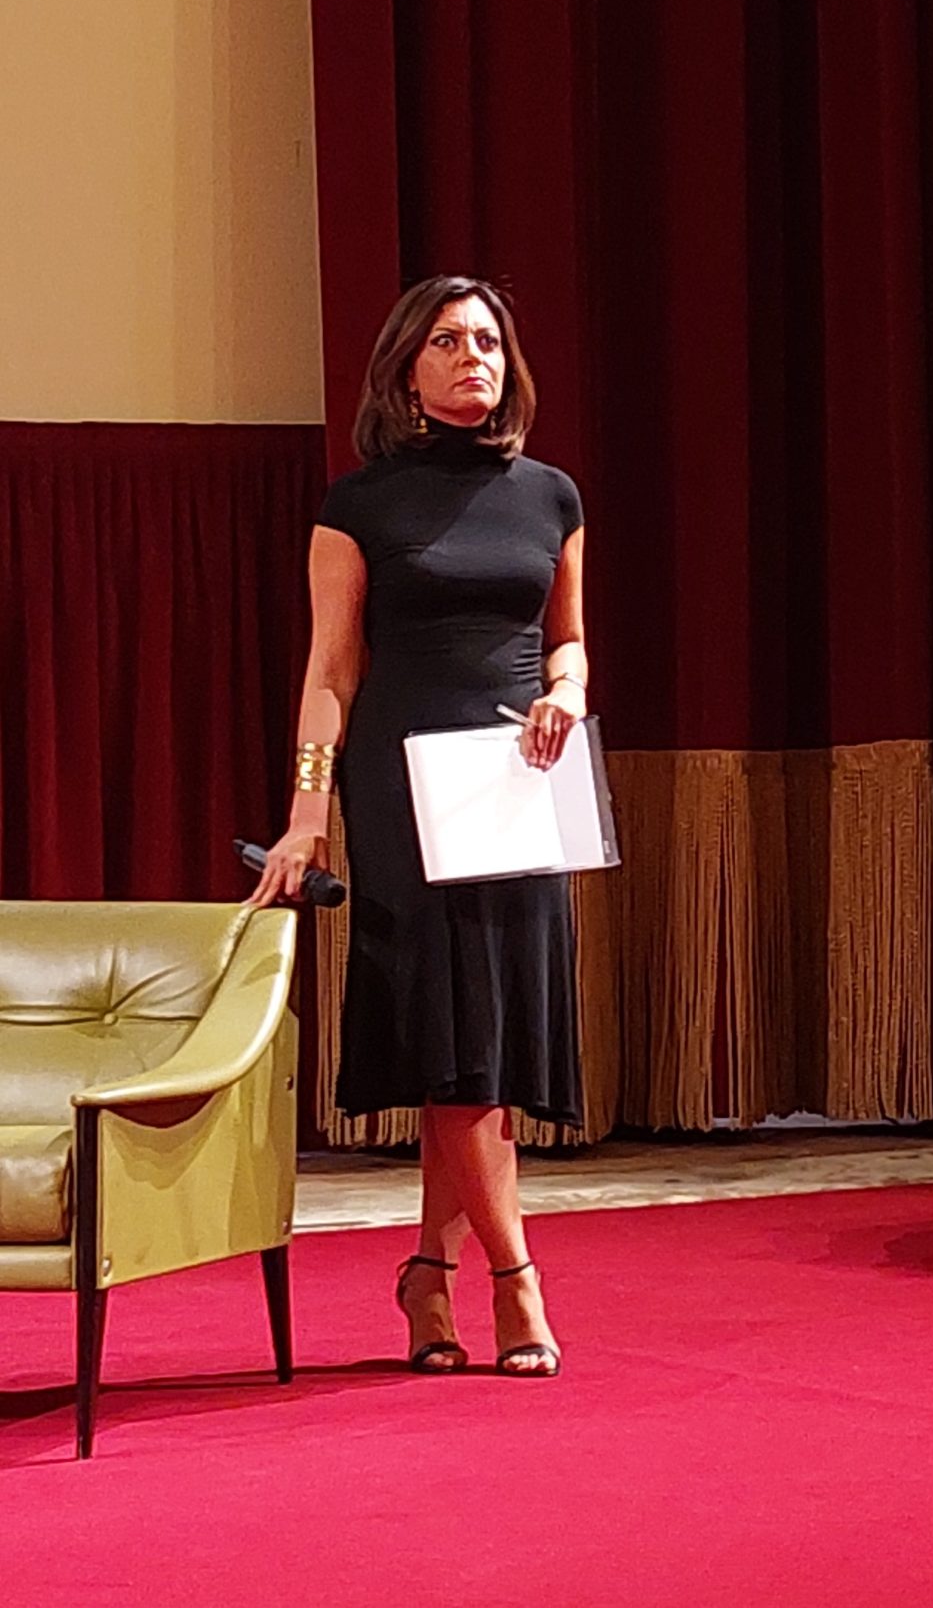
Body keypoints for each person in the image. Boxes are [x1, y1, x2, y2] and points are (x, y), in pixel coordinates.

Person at [251, 276, 588, 1378]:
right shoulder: (359, 504)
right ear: (405, 370)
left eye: (487, 338)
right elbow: (330, 670)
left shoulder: (550, 495)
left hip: (517, 787)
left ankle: (428, 1275)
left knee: (483, 1046)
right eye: (445, 340)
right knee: (460, 1043)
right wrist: (307, 815)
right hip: (404, 790)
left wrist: (569, 690)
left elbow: (568, 638)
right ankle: (516, 1279)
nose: (471, 356)